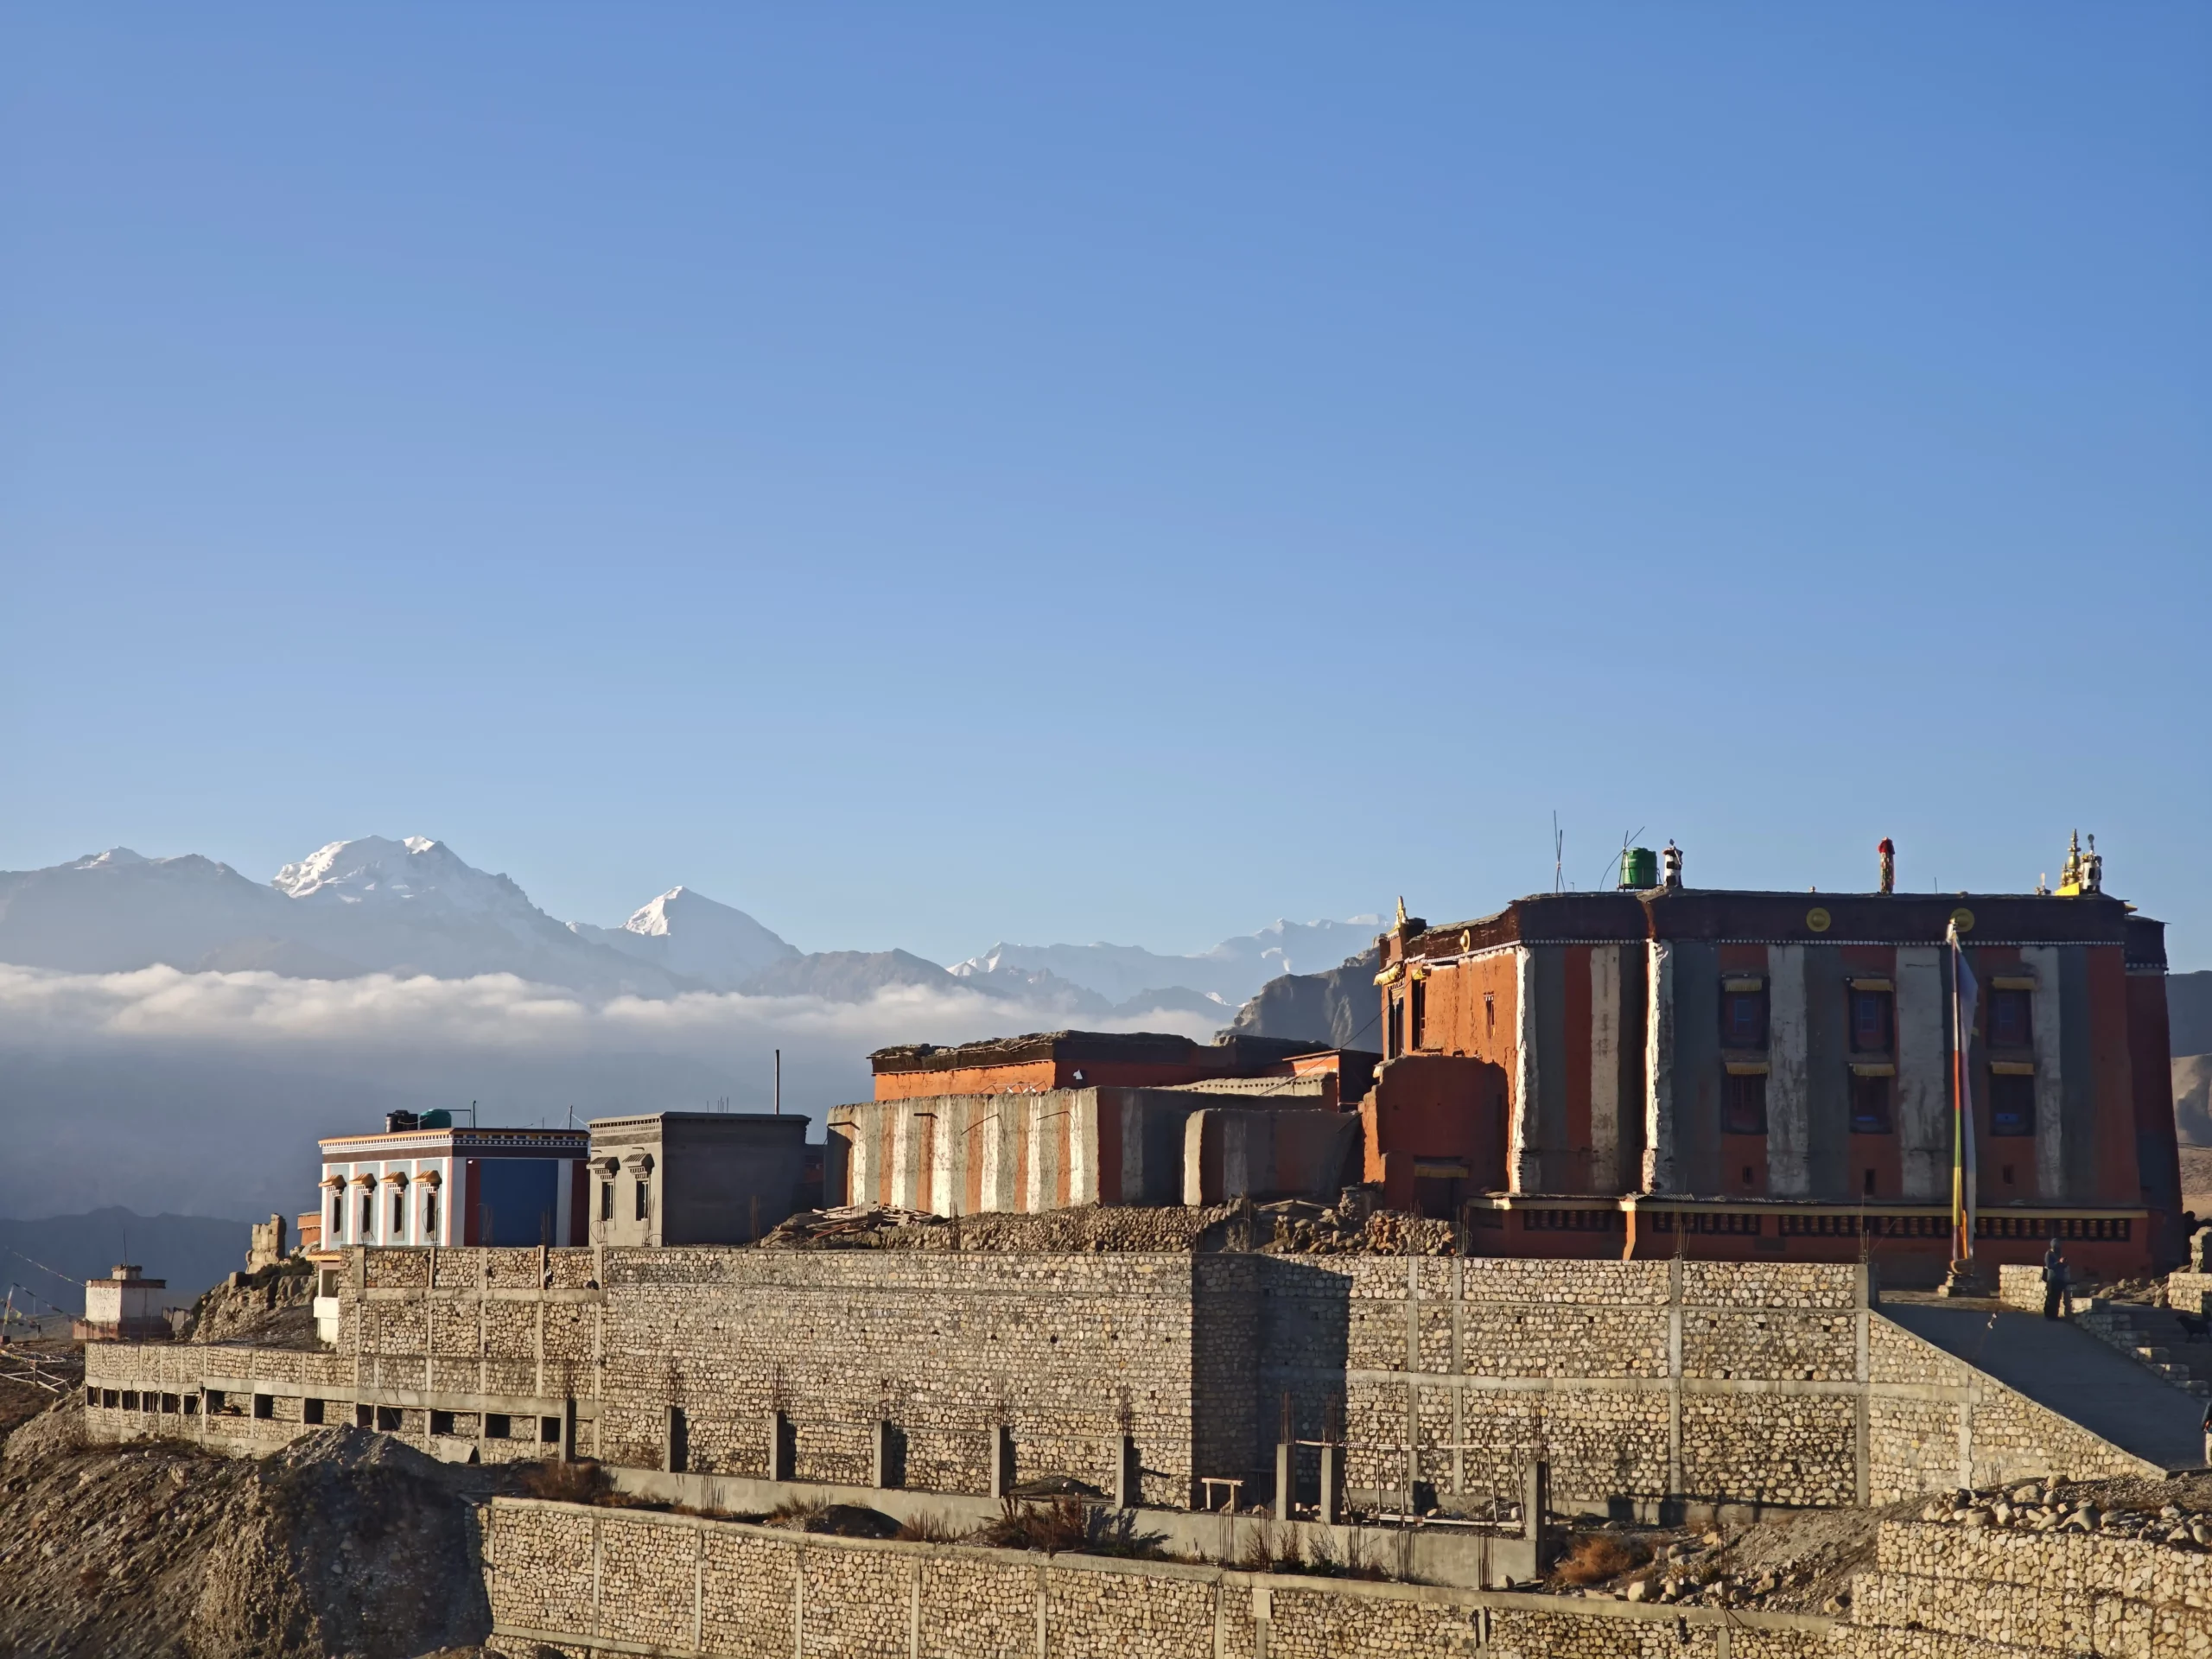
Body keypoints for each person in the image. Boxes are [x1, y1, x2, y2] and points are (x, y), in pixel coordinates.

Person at [2040, 1237, 2069, 1319]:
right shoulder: (2048, 1254)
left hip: (2059, 1279)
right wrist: (2058, 1262)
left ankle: (2054, 1315)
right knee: (2051, 1297)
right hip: (2052, 1278)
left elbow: (2061, 1265)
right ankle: (2048, 1314)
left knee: (2057, 1297)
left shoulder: (2058, 1254)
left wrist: (2064, 1263)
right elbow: (2049, 1265)